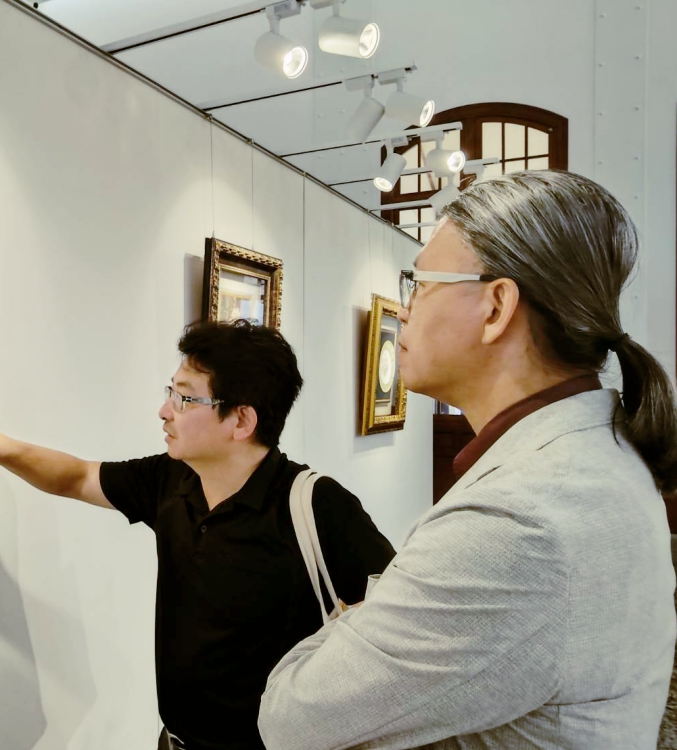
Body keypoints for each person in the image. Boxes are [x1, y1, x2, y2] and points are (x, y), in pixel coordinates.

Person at [258, 170, 677, 749]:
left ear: (496, 306)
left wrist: (355, 617)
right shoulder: (595, 451)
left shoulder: (520, 523)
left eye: (419, 284)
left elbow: (291, 719)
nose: (404, 311)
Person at [0, 320, 395, 750]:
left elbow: (396, 630)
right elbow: (76, 477)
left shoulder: (316, 505)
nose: (165, 410)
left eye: (185, 398)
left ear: (241, 420)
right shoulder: (172, 479)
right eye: (171, 392)